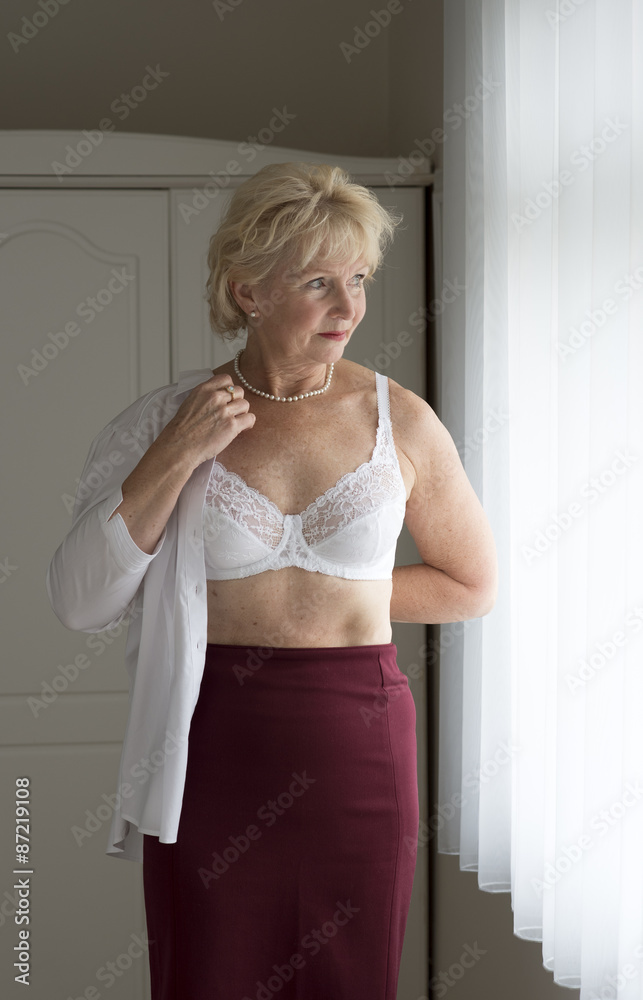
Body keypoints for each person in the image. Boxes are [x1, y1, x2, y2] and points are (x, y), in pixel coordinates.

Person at [46, 161, 498, 999]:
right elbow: (80, 601)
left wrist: (338, 595)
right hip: (211, 741)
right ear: (246, 289)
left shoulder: (402, 422)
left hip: (358, 746)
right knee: (207, 973)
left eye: (357, 279)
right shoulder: (164, 418)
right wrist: (180, 449)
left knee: (349, 978)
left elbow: (469, 584)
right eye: (317, 281)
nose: (348, 307)